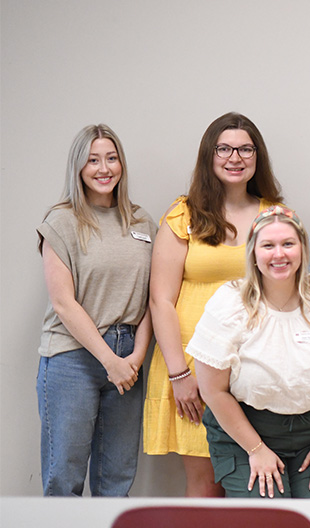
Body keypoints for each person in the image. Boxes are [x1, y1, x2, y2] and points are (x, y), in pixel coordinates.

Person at [145, 112, 283, 497]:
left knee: (255, 482)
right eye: (224, 148)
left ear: (258, 157)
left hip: (255, 364)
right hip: (190, 364)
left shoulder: (275, 216)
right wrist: (178, 374)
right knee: (206, 484)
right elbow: (161, 300)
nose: (234, 157)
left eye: (245, 149)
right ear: (209, 155)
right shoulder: (184, 215)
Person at [189, 206, 310, 498]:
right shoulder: (229, 304)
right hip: (247, 434)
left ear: (303, 250)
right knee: (268, 518)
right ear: (253, 252)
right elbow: (213, 391)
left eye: (288, 244)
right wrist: (256, 450)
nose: (279, 254)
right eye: (268, 245)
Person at [36, 124, 156, 496]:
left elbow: (155, 295)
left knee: (117, 478)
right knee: (64, 478)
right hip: (74, 357)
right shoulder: (62, 221)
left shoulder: (142, 222)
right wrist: (110, 360)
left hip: (129, 358)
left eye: (111, 158)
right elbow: (63, 303)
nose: (104, 168)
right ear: (79, 168)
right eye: (93, 160)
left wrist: (136, 354)